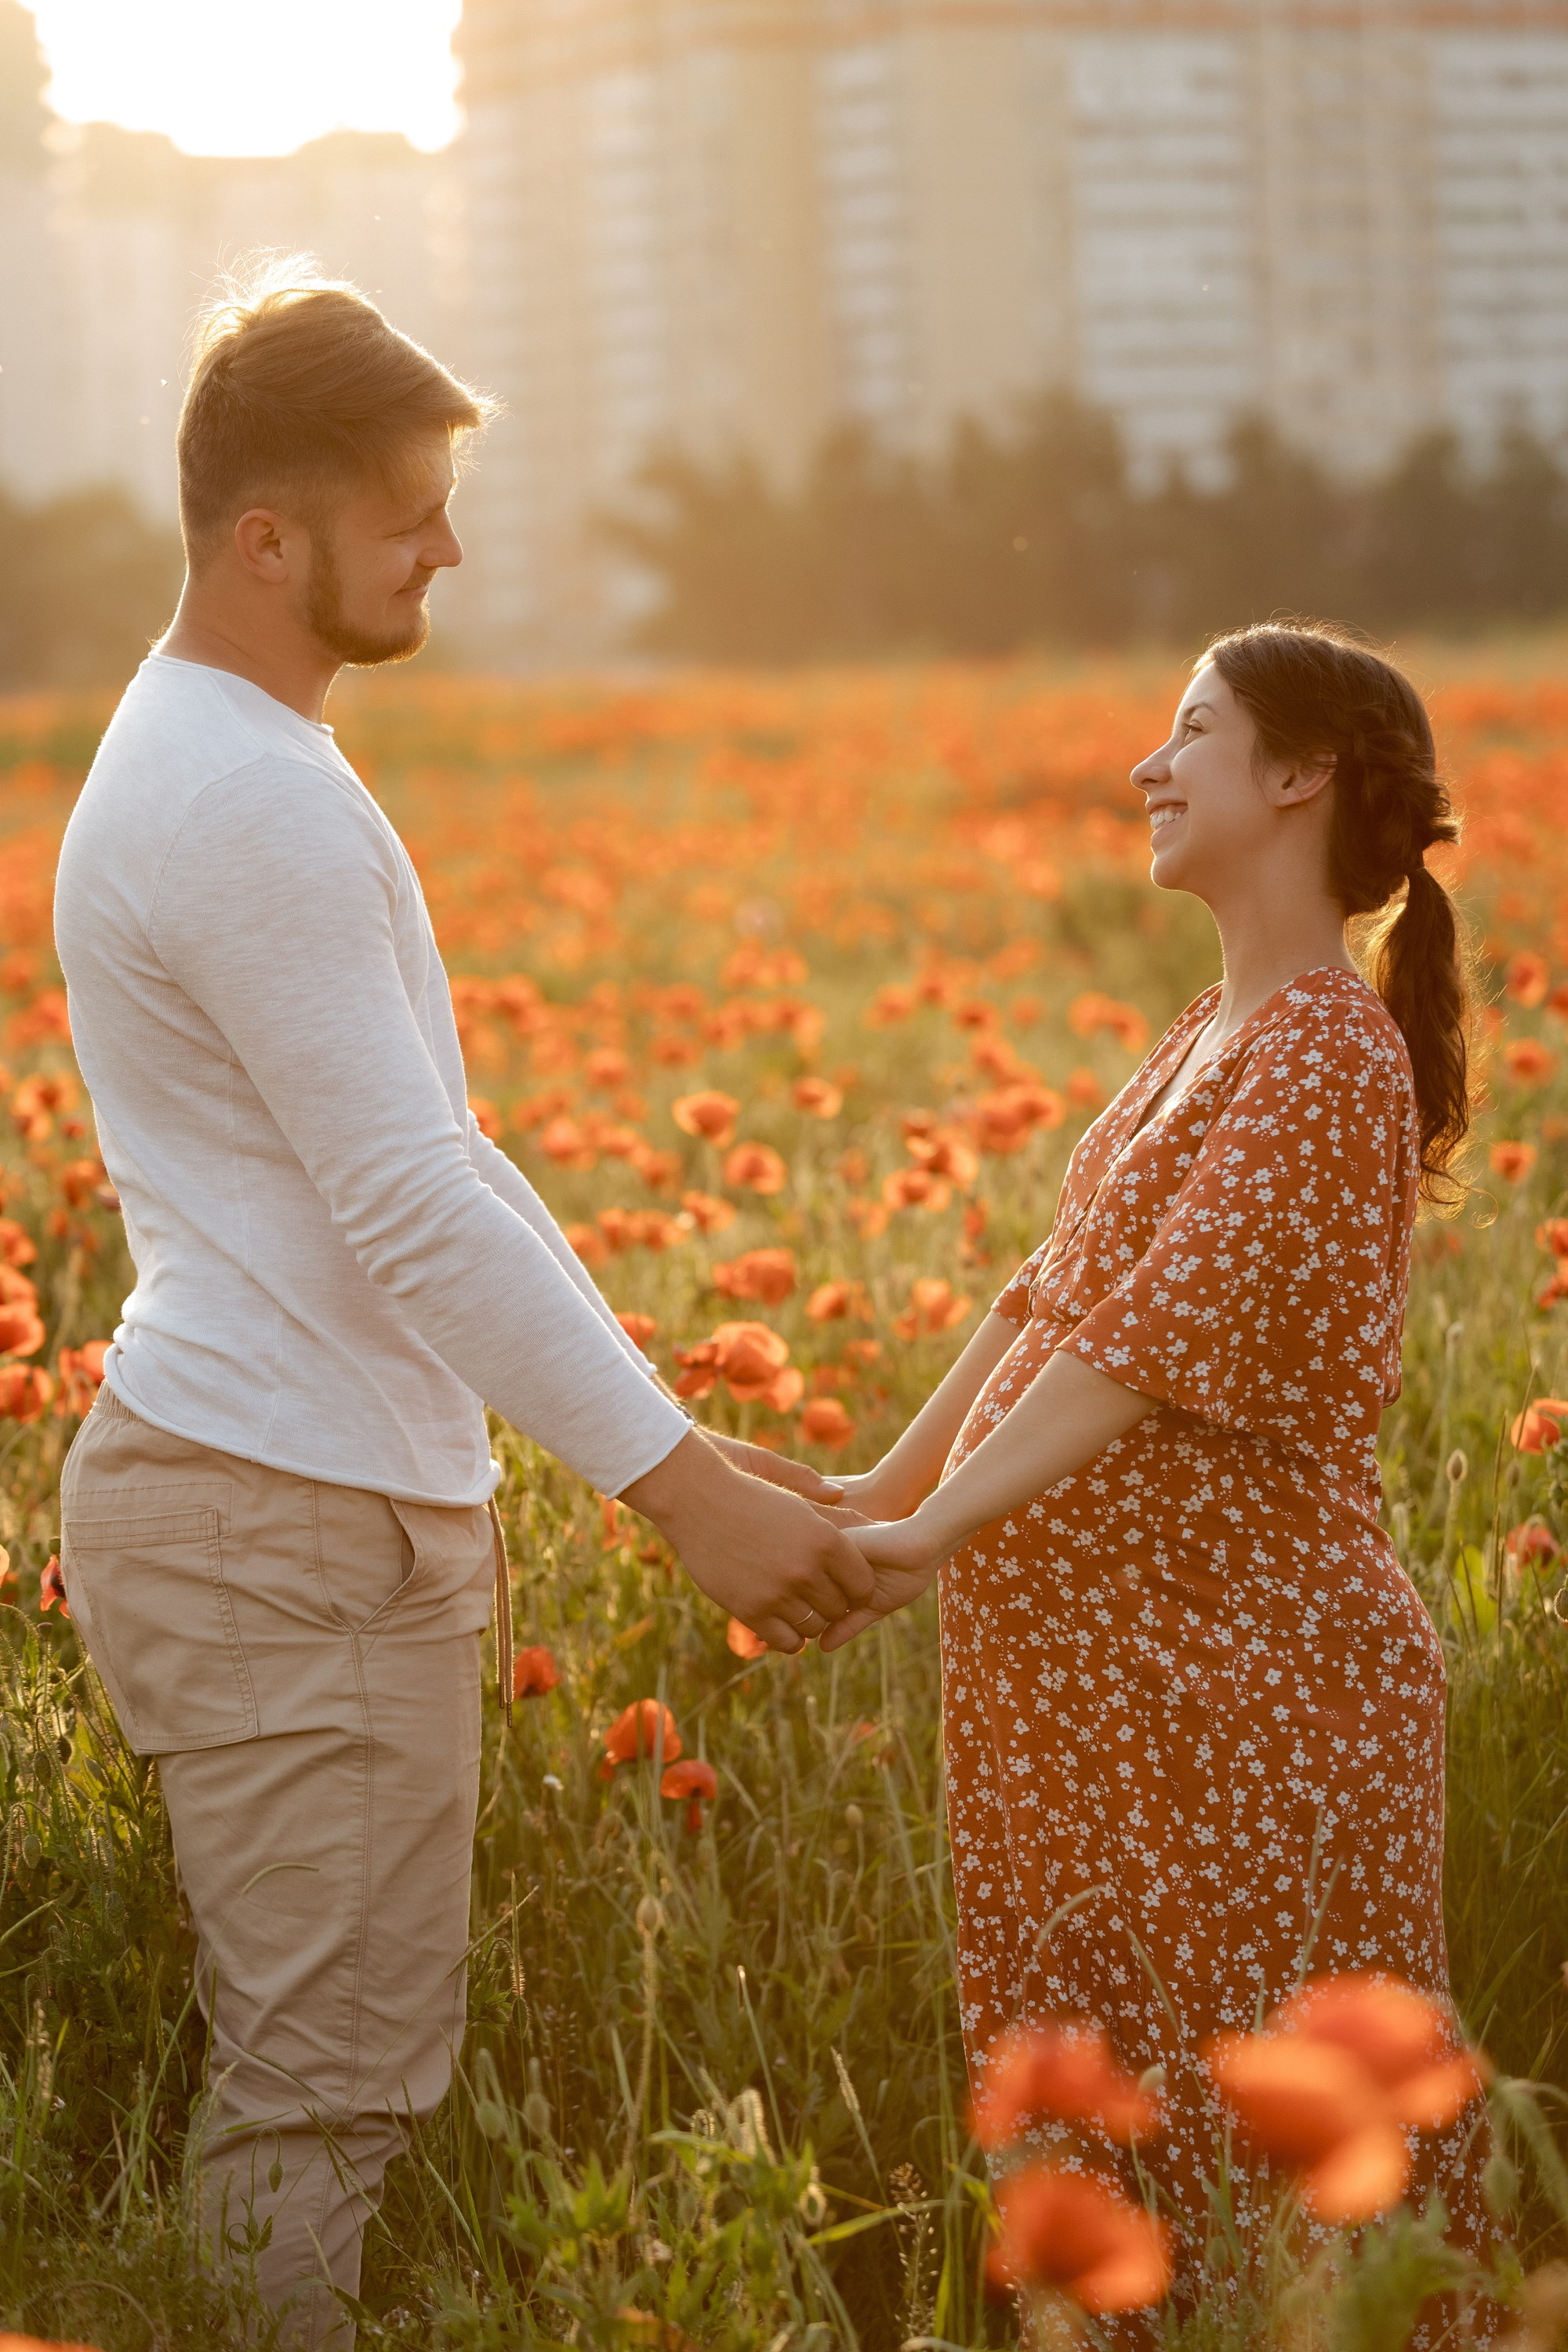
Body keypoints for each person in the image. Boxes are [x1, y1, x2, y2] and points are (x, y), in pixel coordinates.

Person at [52, 262, 873, 2349]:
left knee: (338, 2083)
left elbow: (442, 1166)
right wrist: (683, 1501)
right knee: (321, 2097)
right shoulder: (246, 796)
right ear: (268, 537)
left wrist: (686, 1438)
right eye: (409, 510)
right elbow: (413, 1203)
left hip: (290, 1497)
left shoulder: (237, 757)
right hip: (280, 1515)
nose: (449, 545)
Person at [826, 622, 1494, 2323]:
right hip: (1107, 1707)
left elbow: (1144, 1349)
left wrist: (919, 1536)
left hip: (1248, 1705)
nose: (1147, 764)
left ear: (1296, 777)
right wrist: (871, 1496)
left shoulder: (1330, 1052)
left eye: (1187, 730)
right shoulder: (1215, 1027)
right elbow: (1054, 1302)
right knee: (1125, 2156)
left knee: (1274, 2200)